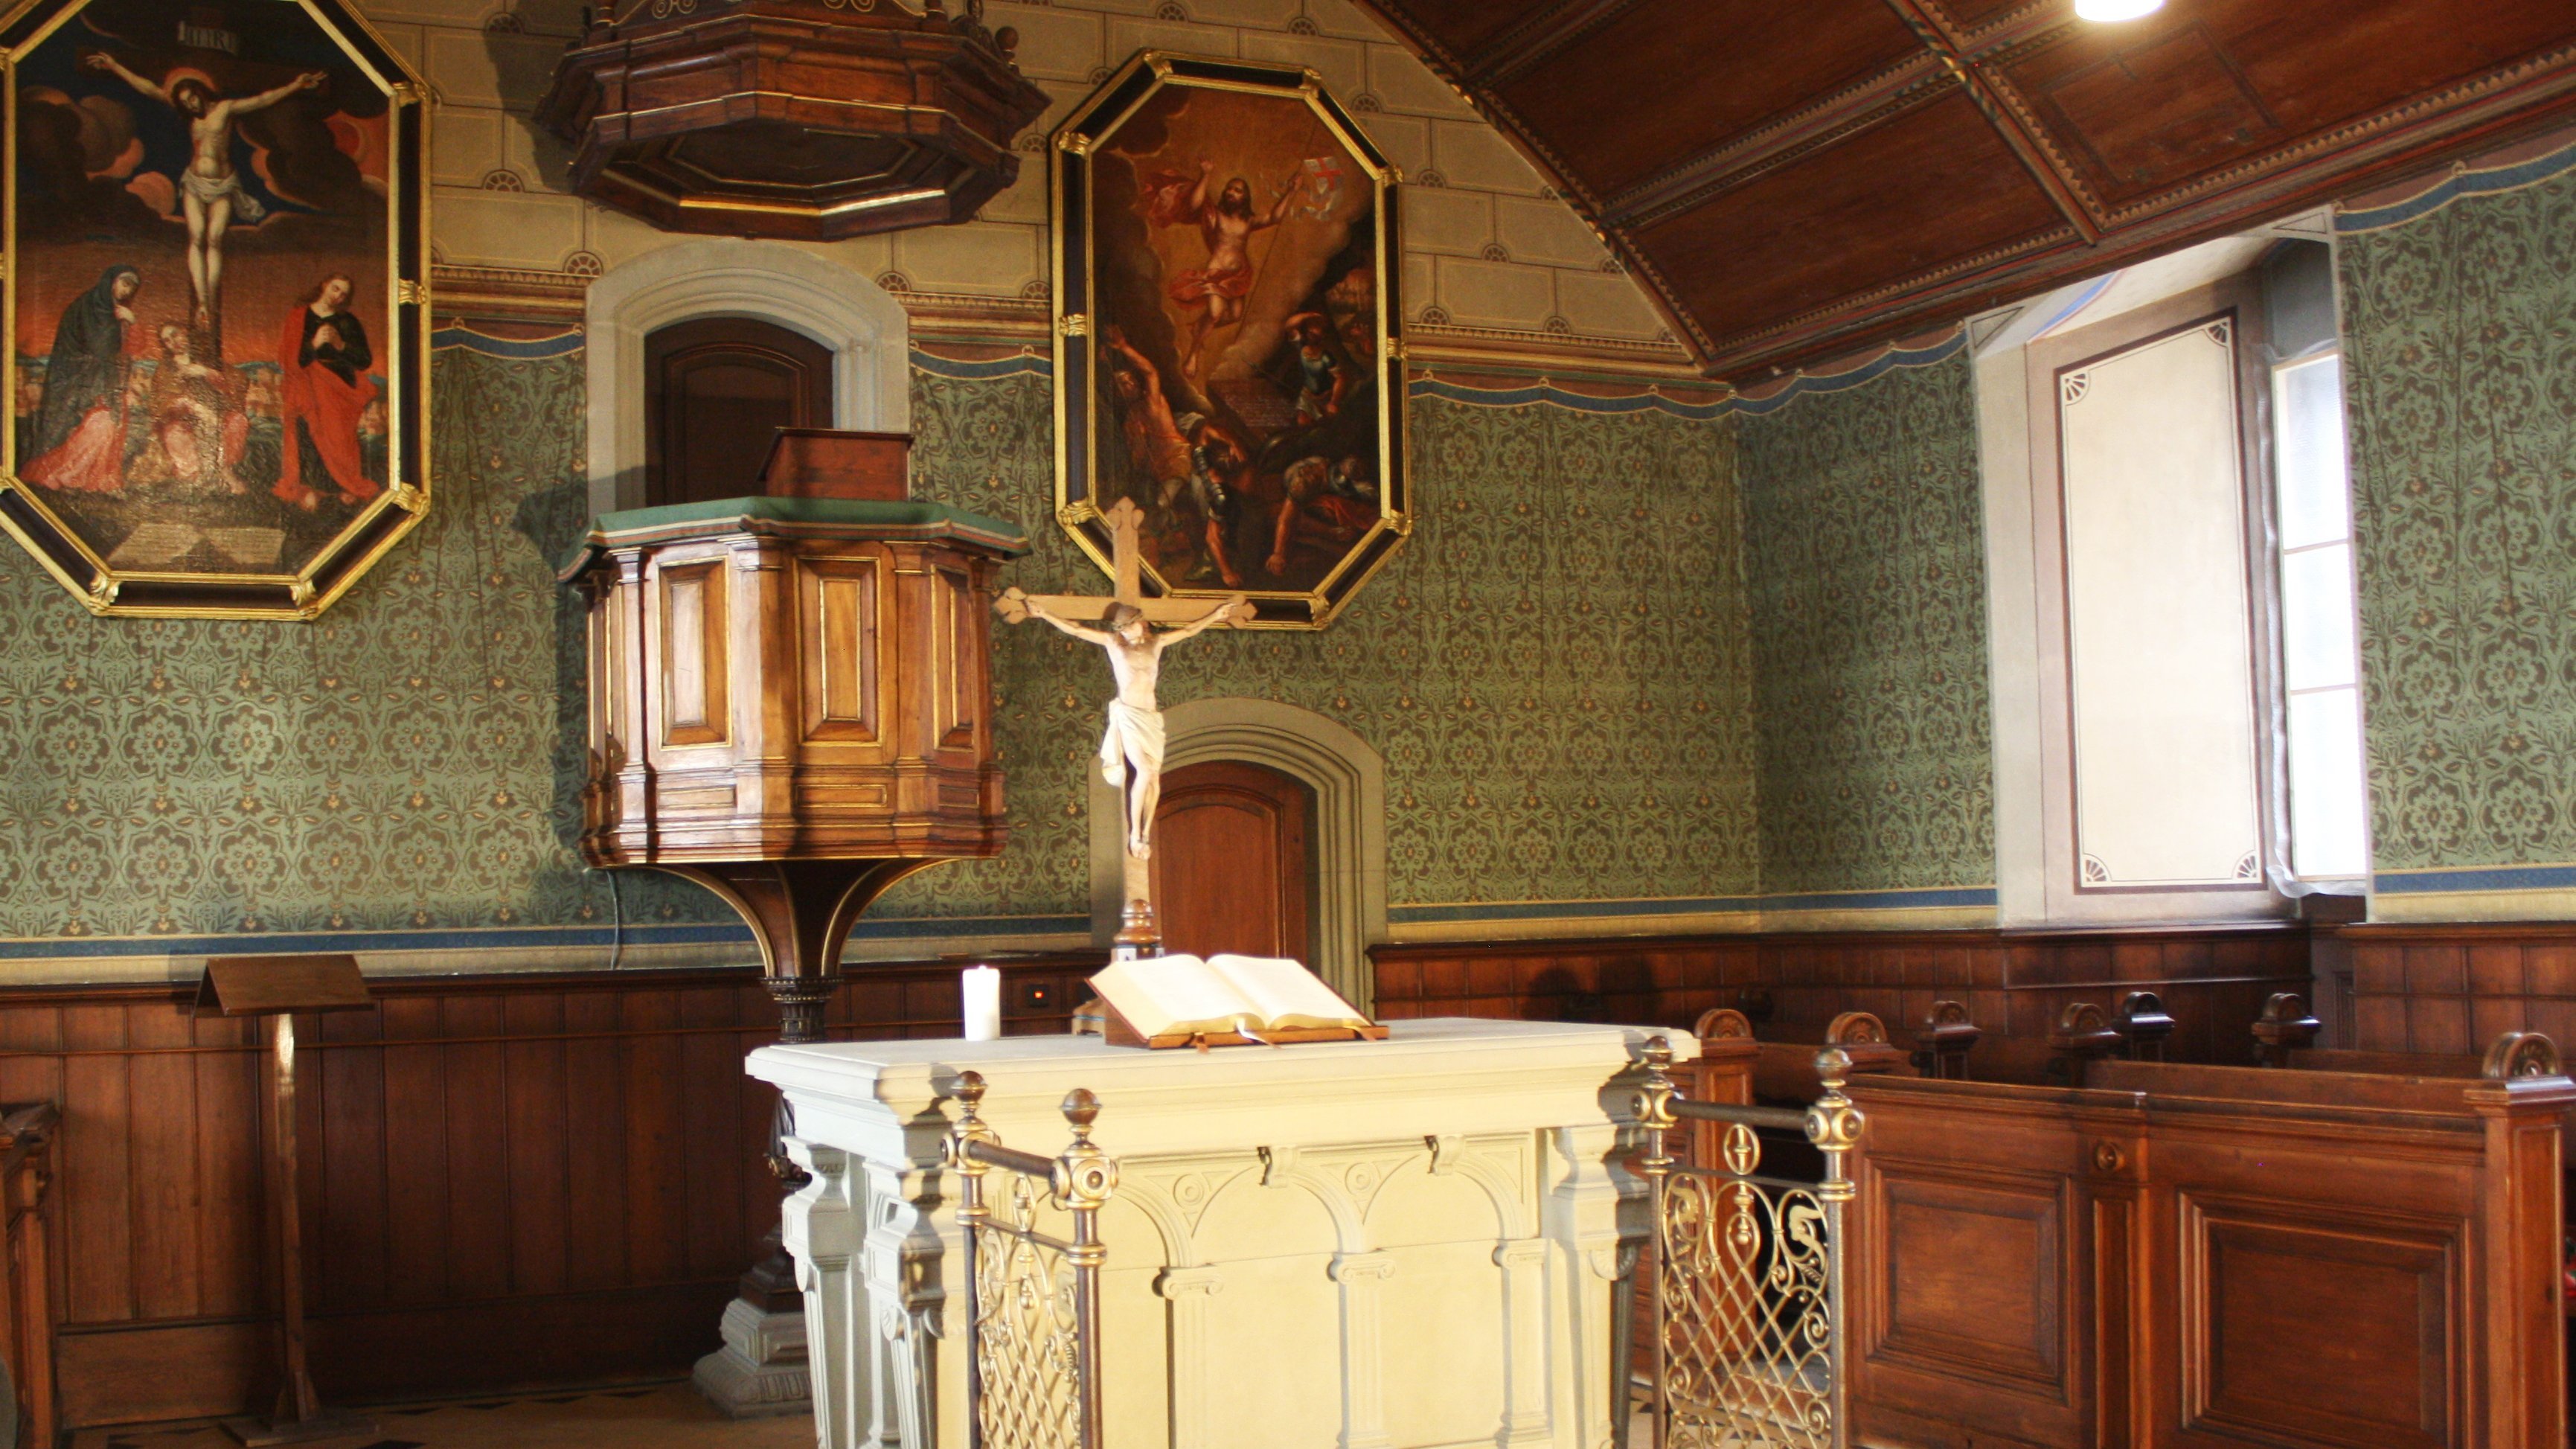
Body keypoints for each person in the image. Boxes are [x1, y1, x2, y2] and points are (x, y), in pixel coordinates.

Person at [87, 56, 327, 327]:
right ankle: (202, 302)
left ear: (201, 92)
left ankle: (211, 300)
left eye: (193, 98)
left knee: (214, 241)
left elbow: (262, 100)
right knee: (196, 238)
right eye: (186, 103)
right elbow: (149, 89)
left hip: (223, 184)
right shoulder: (191, 116)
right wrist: (116, 66)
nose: (191, 105)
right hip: (194, 182)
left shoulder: (225, 109)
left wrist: (296, 86)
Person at [1013, 596, 1247, 860]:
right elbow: (1077, 630)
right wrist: (1044, 613)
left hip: (1151, 718)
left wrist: (1216, 615)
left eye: (1129, 626)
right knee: (1145, 771)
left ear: (1141, 623)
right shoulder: (1114, 644)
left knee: (1155, 778)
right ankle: (1135, 832)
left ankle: (1147, 831)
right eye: (1121, 628)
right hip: (1130, 717)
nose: (1124, 631)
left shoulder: (1155, 643)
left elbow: (1189, 630)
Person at [1103, 327, 1241, 586]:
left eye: (1130, 380)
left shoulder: (1153, 402)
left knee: (1161, 504)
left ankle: (1177, 546)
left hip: (1177, 461)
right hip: (1156, 472)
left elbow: (1150, 372)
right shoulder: (1129, 421)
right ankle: (1169, 545)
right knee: (1141, 503)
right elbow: (1137, 457)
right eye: (1122, 383)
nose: (1129, 385)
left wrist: (1123, 348)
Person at [1144, 161, 1295, 381]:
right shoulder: (1215, 215)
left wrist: (1292, 190)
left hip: (1240, 274)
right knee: (1215, 314)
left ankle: (1198, 326)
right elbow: (1195, 205)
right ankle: (1193, 355)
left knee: (1234, 315)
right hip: (1217, 273)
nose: (1233, 193)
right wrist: (1205, 175)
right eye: (1230, 189)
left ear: (1245, 197)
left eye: (1238, 190)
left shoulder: (1248, 220)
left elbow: (1274, 217)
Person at [21, 266, 142, 494]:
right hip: (76, 380)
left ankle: (96, 479)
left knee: (113, 421)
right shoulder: (91, 307)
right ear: (111, 282)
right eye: (124, 284)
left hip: (101, 380)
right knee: (101, 422)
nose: (127, 291)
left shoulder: (114, 312)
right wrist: (124, 323)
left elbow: (129, 350)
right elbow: (101, 349)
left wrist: (130, 323)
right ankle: (65, 474)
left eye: (132, 288)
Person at [275, 274, 377, 511]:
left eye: (343, 293)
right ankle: (313, 487)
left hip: (340, 388)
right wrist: (314, 345)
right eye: (335, 289)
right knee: (308, 432)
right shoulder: (298, 316)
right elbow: (286, 359)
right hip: (306, 387)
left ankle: (341, 486)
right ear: (324, 286)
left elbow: (363, 360)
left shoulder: (347, 321)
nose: (338, 296)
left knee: (339, 436)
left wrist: (341, 345)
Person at [131, 324, 247, 492]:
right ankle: (195, 478)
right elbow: (158, 404)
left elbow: (239, 382)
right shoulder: (165, 370)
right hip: (182, 421)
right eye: (167, 341)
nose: (173, 342)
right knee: (173, 432)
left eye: (175, 334)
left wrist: (206, 372)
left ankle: (225, 470)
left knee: (238, 421)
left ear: (185, 332)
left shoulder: (208, 359)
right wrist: (187, 404)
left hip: (215, 417)